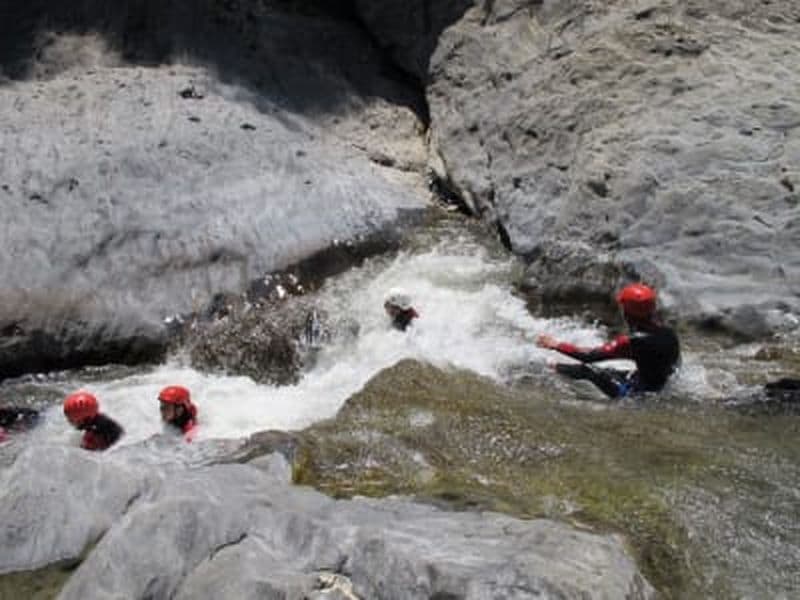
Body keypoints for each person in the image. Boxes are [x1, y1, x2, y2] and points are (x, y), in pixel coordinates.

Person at [536, 283, 681, 399]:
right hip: (659, 386)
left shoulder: (632, 342)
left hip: (636, 394)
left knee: (586, 370)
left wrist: (555, 345)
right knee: (609, 371)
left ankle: (545, 367)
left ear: (626, 312)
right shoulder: (668, 332)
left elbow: (589, 356)